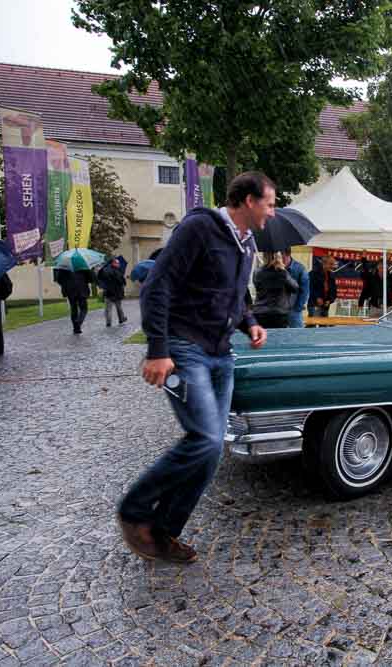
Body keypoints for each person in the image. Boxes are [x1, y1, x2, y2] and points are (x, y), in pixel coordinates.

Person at [117, 171, 271, 563]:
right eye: (269, 204)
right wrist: (157, 349)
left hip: (222, 354)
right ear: (249, 200)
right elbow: (158, 286)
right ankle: (134, 509)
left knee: (211, 449)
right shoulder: (200, 228)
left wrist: (250, 322)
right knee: (203, 439)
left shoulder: (247, 244)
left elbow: (235, 297)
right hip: (186, 348)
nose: (272, 212)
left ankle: (162, 531)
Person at [252, 251, 298, 328]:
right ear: (277, 257)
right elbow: (295, 288)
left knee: (263, 335)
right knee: (278, 335)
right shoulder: (282, 272)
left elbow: (257, 286)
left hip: (260, 311)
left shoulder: (257, 272)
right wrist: (283, 270)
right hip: (278, 313)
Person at [54, 268, 93, 334]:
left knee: (73, 309)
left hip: (70, 290)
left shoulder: (64, 267)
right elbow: (90, 278)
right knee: (84, 309)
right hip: (82, 289)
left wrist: (66, 284)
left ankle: (76, 328)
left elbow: (59, 280)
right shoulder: (82, 265)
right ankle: (78, 323)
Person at [97, 258, 128, 327]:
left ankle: (108, 322)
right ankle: (121, 319)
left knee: (108, 308)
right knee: (118, 307)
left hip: (108, 292)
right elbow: (121, 281)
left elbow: (100, 277)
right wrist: (123, 281)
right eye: (117, 263)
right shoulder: (117, 271)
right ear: (113, 263)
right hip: (116, 292)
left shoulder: (105, 270)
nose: (119, 264)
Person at [283, 249, 309, 328]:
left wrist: (298, 308)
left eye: (282, 257)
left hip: (294, 310)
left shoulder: (300, 269)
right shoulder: (276, 267)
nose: (280, 259)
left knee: (297, 333)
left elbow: (305, 291)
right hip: (279, 309)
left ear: (288, 254)